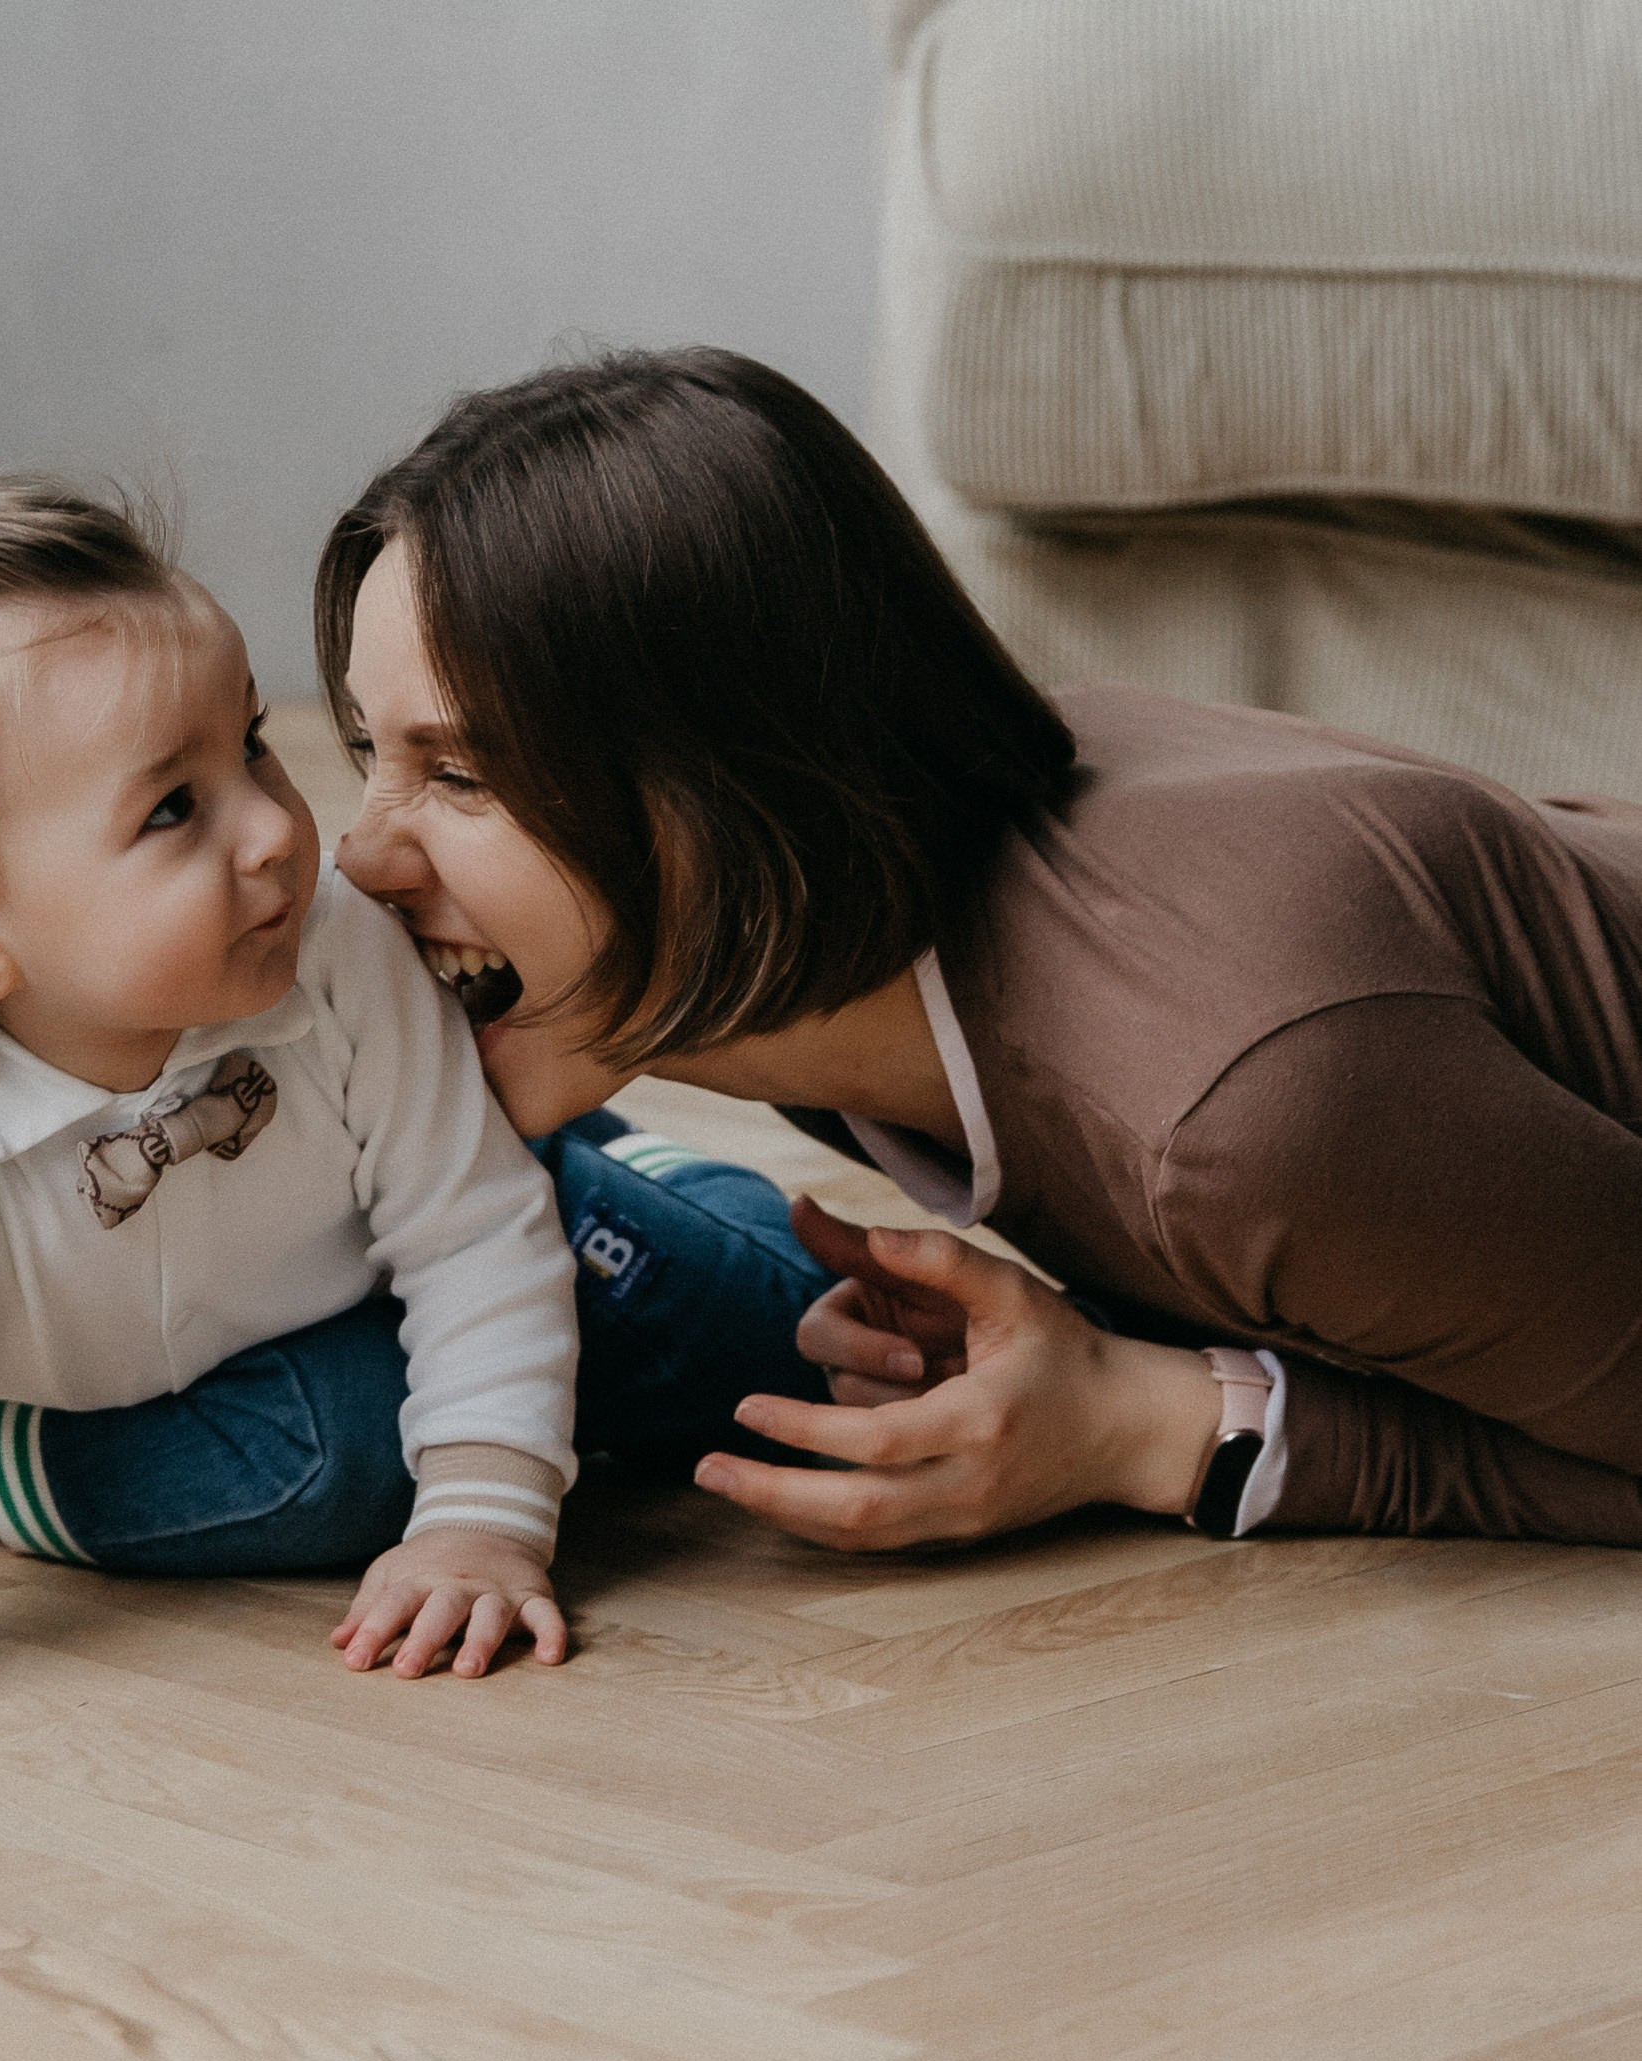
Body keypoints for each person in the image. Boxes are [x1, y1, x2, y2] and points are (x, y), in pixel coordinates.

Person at [0, 415, 829, 1877]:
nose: (275, 831)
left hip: (388, 1263)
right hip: (117, 1394)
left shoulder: (332, 957)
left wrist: (482, 1524)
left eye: (254, 744)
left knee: (774, 1328)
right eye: (174, 807)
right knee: (342, 1461)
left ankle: (629, 1192)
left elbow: (466, 1229)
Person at [319, 345, 1642, 1560]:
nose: (359, 859)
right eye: (372, 753)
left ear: (734, 799)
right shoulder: (817, 957)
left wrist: (1161, 1423)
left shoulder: (1236, 1109)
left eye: (462, 771)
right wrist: (1104, 1348)